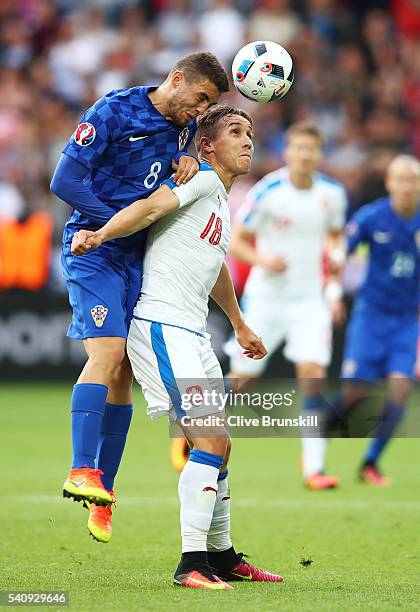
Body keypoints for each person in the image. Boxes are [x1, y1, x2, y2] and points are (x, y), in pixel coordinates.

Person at [71, 104, 283, 589]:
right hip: (164, 327)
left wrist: (239, 322)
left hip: (193, 332)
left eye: (250, 132)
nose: (247, 140)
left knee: (221, 446)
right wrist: (100, 234)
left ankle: (223, 556)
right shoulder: (203, 179)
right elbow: (150, 208)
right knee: (208, 441)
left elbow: (215, 266)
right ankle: (191, 564)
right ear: (207, 145)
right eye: (235, 131)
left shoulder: (220, 200)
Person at [50, 52, 229, 543]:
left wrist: (187, 157)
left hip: (138, 259)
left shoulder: (183, 127)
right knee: (107, 353)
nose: (200, 111)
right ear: (176, 80)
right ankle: (82, 468)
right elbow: (63, 181)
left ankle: (103, 493)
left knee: (124, 372)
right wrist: (109, 227)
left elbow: (168, 169)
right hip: (94, 248)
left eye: (209, 104)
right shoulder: (113, 111)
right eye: (200, 99)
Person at [227, 121, 348, 490]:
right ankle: (191, 434)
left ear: (319, 154)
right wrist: (263, 261)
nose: (304, 155)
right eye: (298, 148)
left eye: (311, 148)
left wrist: (335, 276)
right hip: (266, 297)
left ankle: (314, 468)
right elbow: (236, 240)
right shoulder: (269, 191)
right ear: (287, 152)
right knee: (243, 380)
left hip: (309, 300)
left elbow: (335, 237)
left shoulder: (333, 194)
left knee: (312, 378)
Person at [329, 154, 420, 485]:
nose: (408, 186)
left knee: (400, 389)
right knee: (356, 390)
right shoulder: (372, 217)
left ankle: (370, 462)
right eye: (402, 179)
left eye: (413, 180)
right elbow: (343, 249)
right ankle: (322, 430)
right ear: (390, 183)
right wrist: (335, 284)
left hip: (406, 321)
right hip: (371, 315)